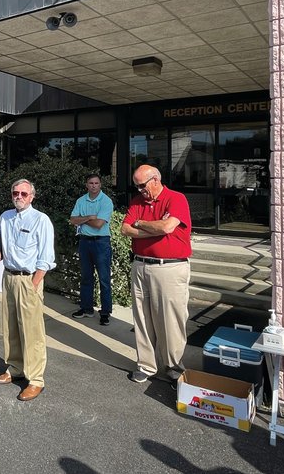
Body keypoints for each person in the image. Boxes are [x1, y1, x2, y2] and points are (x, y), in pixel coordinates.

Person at [121, 164, 192, 384]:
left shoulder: (176, 198)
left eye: (142, 185)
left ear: (155, 180)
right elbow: (125, 229)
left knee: (171, 319)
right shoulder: (137, 201)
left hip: (169, 268)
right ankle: (146, 365)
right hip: (141, 265)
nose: (140, 190)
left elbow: (167, 227)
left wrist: (140, 224)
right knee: (142, 317)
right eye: (136, 185)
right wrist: (153, 228)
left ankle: (173, 366)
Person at [0, 179, 55, 401]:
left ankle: (36, 379)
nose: (19, 196)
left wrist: (34, 284)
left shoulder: (41, 220)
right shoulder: (5, 217)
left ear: (32, 197)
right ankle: (15, 368)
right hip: (8, 277)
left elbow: (46, 259)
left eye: (24, 194)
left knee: (32, 332)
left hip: (29, 280)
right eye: (15, 193)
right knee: (11, 327)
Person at [69, 174, 114, 325]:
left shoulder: (106, 201)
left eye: (96, 183)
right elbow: (73, 220)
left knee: (104, 279)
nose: (94, 185)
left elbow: (99, 224)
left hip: (101, 242)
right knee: (86, 277)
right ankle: (86, 308)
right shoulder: (81, 200)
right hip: (84, 242)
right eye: (91, 183)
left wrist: (83, 219)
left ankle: (105, 312)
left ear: (100, 185)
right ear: (86, 185)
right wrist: (89, 217)